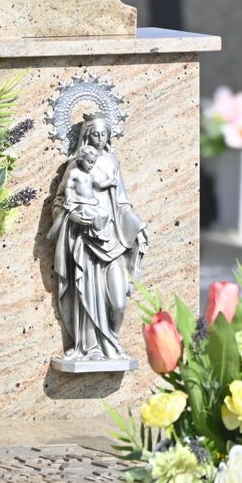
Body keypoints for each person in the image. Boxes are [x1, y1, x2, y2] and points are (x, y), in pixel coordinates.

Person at [49, 114, 149, 363]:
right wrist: (73, 216)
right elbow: (60, 201)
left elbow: (122, 203)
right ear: (87, 135)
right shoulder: (76, 165)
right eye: (96, 134)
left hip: (112, 239)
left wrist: (137, 227)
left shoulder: (113, 163)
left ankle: (112, 344)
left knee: (118, 302)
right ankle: (89, 346)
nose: (100, 139)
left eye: (105, 134)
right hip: (85, 239)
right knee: (86, 295)